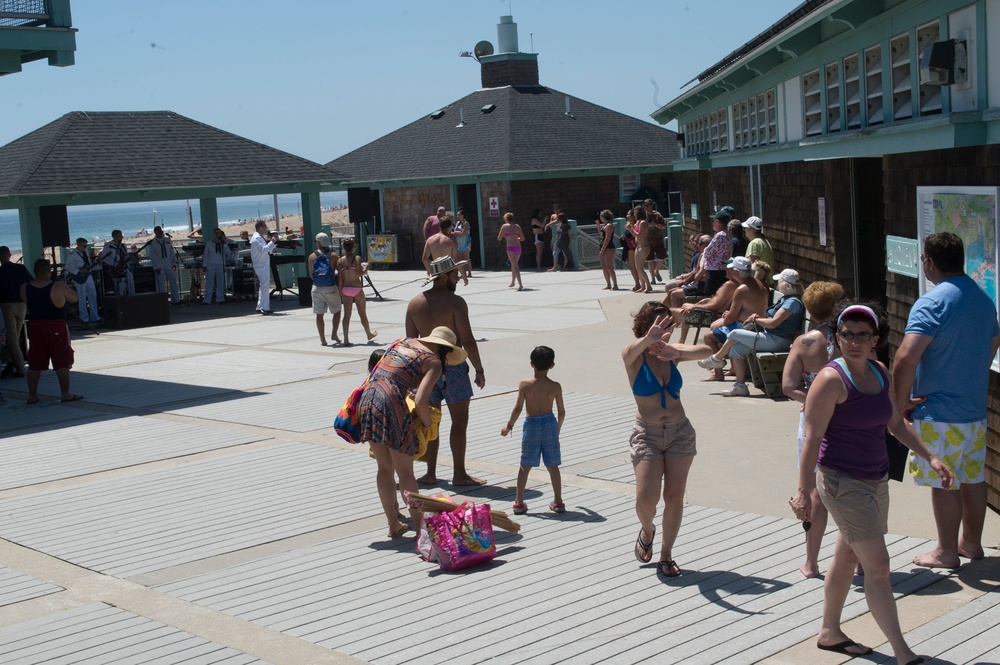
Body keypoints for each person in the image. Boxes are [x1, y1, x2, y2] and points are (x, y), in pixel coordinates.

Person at [790, 302, 954, 664]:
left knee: (848, 555)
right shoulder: (830, 380)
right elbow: (812, 439)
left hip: (876, 479)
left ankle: (830, 632)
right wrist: (803, 491)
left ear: (875, 339)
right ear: (836, 337)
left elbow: (896, 423)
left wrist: (931, 456)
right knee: (878, 567)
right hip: (841, 482)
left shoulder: (880, 372)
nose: (854, 341)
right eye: (846, 334)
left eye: (863, 335)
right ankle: (903, 652)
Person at [892, 231, 1000, 569]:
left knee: (945, 482)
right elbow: (993, 343)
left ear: (930, 262)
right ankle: (971, 544)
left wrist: (899, 403)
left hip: (939, 410)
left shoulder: (932, 302)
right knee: (973, 476)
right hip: (972, 410)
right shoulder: (983, 299)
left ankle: (946, 551)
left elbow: (906, 358)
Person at [624, 301, 713, 577]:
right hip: (647, 435)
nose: (665, 332)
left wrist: (677, 349)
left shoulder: (671, 353)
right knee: (645, 500)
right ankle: (647, 530)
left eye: (668, 326)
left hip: (679, 433)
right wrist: (648, 339)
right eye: (659, 326)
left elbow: (709, 350)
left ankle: (666, 555)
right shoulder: (634, 355)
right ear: (646, 326)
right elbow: (629, 352)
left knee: (674, 496)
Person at [359, 326, 463, 538]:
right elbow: (421, 400)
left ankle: (393, 524)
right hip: (389, 403)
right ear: (445, 350)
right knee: (405, 472)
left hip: (367, 397)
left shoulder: (402, 343)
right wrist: (426, 423)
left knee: (384, 468)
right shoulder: (433, 362)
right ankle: (420, 530)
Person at [780, 281, 845, 578]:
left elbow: (788, 386)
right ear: (834, 307)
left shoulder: (804, 342)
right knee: (850, 489)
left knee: (815, 492)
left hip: (811, 420)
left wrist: (813, 400)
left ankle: (811, 562)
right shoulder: (850, 339)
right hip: (846, 418)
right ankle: (854, 559)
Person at [405, 255, 486, 486]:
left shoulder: (414, 303)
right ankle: (459, 474)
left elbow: (411, 343)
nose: (458, 278)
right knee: (459, 422)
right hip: (454, 367)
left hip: (425, 369)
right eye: (454, 274)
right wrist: (479, 370)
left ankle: (430, 474)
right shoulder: (456, 303)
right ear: (443, 277)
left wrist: (412, 377)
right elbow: (468, 341)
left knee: (431, 421)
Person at [698, 268, 806, 396]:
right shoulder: (787, 299)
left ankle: (716, 358)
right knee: (737, 349)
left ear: (785, 284)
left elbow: (773, 323)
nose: (777, 284)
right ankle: (740, 386)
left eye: (779, 281)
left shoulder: (792, 302)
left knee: (734, 334)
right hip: (771, 336)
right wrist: (758, 319)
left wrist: (757, 319)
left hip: (777, 340)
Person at [501, 345, 566, 515]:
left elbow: (517, 409)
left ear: (531, 364)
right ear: (552, 365)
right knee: (553, 465)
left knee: (525, 465)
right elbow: (561, 412)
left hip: (531, 424)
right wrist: (556, 429)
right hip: (549, 424)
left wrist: (509, 426)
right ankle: (558, 501)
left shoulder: (524, 384)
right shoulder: (555, 386)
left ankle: (519, 501)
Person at [20, 258, 81, 403]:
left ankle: (32, 396)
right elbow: (74, 298)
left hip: (35, 326)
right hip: (56, 326)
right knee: (62, 360)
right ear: (49, 271)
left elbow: (27, 303)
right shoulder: (58, 286)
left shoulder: (24, 288)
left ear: (34, 272)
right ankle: (65, 393)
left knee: (35, 362)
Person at [701, 256, 769, 381]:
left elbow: (729, 320)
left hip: (746, 328)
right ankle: (731, 367)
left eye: (732, 270)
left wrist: (725, 318)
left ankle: (718, 373)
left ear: (737, 272)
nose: (730, 272)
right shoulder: (760, 284)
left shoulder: (741, 290)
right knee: (719, 329)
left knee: (709, 337)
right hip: (758, 326)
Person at [0, 246, 33, 378]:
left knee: (11, 337)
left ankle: (19, 367)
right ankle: (11, 362)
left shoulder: (1, 271)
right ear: (9, 255)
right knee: (16, 336)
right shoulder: (20, 269)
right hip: (21, 305)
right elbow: (30, 282)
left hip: (6, 305)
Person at [337, 238, 378, 346]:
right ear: (353, 247)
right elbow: (359, 273)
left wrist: (340, 290)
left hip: (345, 288)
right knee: (362, 314)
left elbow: (340, 278)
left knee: (347, 314)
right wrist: (366, 268)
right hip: (356, 288)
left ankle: (346, 339)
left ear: (344, 248)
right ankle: (368, 334)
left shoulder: (340, 261)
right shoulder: (357, 258)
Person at [308, 232, 342, 346]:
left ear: (318, 243)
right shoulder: (333, 256)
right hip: (330, 288)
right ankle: (334, 334)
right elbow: (339, 272)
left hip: (317, 288)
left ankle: (323, 339)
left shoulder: (312, 257)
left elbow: (311, 274)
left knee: (319, 314)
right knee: (337, 311)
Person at [64, 238, 101, 323]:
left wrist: (97, 263)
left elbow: (88, 264)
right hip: (80, 277)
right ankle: (84, 318)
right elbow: (68, 266)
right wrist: (78, 271)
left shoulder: (85, 253)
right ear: (78, 245)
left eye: (86, 246)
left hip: (88, 276)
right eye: (84, 246)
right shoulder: (72, 254)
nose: (85, 247)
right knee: (82, 297)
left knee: (93, 295)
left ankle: (94, 316)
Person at [702, 211, 733, 296]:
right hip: (723, 270)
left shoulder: (720, 235)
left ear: (718, 222)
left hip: (715, 271)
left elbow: (707, 252)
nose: (713, 223)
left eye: (714, 221)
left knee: (712, 296)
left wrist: (705, 251)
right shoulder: (728, 234)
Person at [250, 220, 277, 315]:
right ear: (260, 227)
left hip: (263, 264)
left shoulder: (259, 237)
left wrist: (271, 245)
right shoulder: (256, 238)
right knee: (264, 286)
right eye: (265, 227)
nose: (266, 229)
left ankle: (261, 306)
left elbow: (265, 250)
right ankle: (263, 307)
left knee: (264, 286)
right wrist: (271, 243)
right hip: (261, 265)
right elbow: (263, 250)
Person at [96, 230, 135, 296]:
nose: (122, 237)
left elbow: (125, 256)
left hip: (126, 269)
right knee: (120, 291)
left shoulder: (123, 246)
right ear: (115, 236)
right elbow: (104, 257)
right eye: (120, 236)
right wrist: (115, 264)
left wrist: (130, 259)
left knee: (131, 289)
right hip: (117, 271)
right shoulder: (108, 246)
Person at [147, 226, 179, 304]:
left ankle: (175, 300)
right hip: (159, 265)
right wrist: (156, 267)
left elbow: (172, 253)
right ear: (155, 232)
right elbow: (153, 256)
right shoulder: (153, 243)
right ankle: (163, 302)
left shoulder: (167, 240)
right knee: (161, 284)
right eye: (158, 231)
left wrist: (174, 263)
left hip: (168, 264)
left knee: (173, 281)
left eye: (160, 230)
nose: (160, 232)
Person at [202, 228, 233, 305]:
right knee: (210, 282)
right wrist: (204, 265)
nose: (217, 234)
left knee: (220, 282)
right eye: (216, 233)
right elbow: (206, 255)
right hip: (210, 264)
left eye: (219, 233)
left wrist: (224, 243)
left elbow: (228, 253)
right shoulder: (209, 243)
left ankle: (220, 298)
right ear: (214, 233)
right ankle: (207, 300)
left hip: (220, 264)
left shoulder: (223, 244)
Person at [497, 212, 525, 290]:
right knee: (514, 264)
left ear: (506, 219)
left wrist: (507, 236)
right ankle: (513, 282)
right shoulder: (517, 226)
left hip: (510, 248)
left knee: (515, 266)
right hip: (518, 247)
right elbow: (522, 238)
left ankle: (520, 284)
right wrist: (516, 238)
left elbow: (499, 238)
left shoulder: (504, 226)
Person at [629, 207, 653, 292]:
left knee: (639, 268)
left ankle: (648, 286)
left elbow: (639, 235)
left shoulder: (642, 222)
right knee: (637, 267)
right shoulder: (637, 222)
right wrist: (631, 228)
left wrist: (631, 229)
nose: (634, 213)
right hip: (638, 246)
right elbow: (634, 234)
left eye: (635, 212)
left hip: (644, 246)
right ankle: (643, 286)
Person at [644, 199, 667, 284]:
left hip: (658, 240)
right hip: (648, 241)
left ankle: (656, 271)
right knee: (650, 260)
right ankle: (652, 279)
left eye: (648, 205)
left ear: (651, 205)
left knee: (661, 258)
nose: (646, 207)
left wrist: (655, 225)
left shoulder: (657, 215)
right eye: (645, 205)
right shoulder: (644, 216)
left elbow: (664, 226)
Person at [598, 209, 618, 290]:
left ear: (603, 217)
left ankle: (615, 285)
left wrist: (603, 249)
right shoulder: (605, 225)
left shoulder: (609, 225)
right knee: (604, 266)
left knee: (609, 266)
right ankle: (608, 284)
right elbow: (601, 235)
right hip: (602, 246)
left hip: (608, 247)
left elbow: (607, 238)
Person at [621, 209, 641, 291]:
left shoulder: (635, 225)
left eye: (628, 214)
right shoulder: (628, 224)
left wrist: (630, 229)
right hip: (628, 247)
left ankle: (638, 284)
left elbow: (635, 235)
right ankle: (637, 283)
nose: (627, 216)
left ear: (633, 216)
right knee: (630, 266)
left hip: (633, 247)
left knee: (633, 266)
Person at [454, 209, 473, 283]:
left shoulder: (466, 223)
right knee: (460, 258)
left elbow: (464, 233)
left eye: (459, 215)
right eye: (457, 215)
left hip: (466, 241)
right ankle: (463, 273)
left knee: (466, 257)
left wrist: (458, 233)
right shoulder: (458, 223)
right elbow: (454, 232)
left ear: (463, 215)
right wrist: (459, 233)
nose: (458, 216)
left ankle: (469, 273)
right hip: (459, 242)